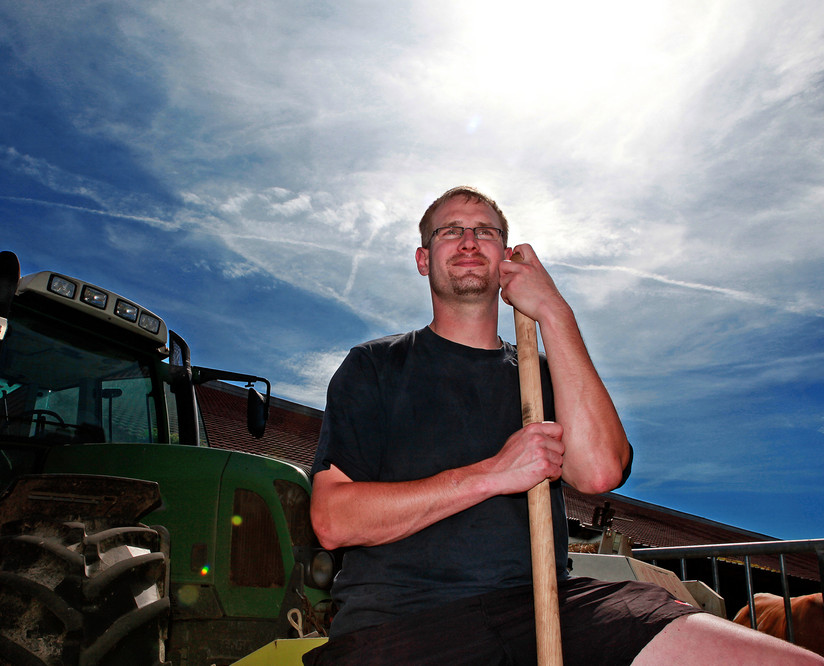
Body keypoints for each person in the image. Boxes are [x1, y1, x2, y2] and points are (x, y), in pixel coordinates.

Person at [304, 186, 823, 665]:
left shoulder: (544, 376)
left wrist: (554, 311)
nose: (468, 240)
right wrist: (492, 474)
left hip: (547, 608)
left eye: (485, 230)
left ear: (505, 258)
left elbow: (599, 474)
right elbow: (333, 519)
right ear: (424, 259)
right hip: (400, 623)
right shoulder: (376, 366)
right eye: (450, 230)